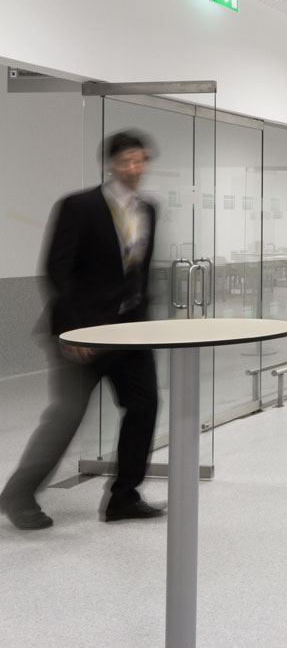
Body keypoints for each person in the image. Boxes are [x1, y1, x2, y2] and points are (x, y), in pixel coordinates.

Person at [0, 131, 164, 530]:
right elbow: (57, 269)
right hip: (82, 334)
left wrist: (146, 324)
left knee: (144, 406)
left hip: (129, 333)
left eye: (140, 160)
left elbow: (137, 273)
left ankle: (124, 498)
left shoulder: (148, 209)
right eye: (126, 160)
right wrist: (74, 331)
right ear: (111, 163)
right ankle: (18, 495)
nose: (134, 167)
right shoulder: (79, 206)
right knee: (68, 414)